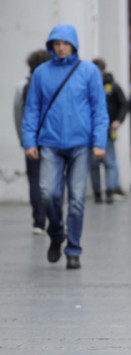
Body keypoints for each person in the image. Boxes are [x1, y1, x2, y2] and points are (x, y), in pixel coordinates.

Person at [22, 24, 109, 270]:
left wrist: (99, 142)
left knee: (77, 200)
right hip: (49, 143)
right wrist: (30, 141)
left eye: (65, 43)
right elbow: (32, 109)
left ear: (74, 45)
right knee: (48, 193)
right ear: (51, 46)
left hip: (81, 145)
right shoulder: (41, 73)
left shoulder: (89, 72)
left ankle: (73, 249)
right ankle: (57, 232)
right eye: (56, 43)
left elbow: (99, 110)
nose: (61, 48)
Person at [14, 49, 51, 236]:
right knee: (53, 178)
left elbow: (18, 113)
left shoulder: (23, 85)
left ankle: (38, 220)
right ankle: (54, 217)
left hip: (32, 139)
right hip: (52, 139)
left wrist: (24, 139)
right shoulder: (52, 83)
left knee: (35, 179)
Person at [90, 58, 129, 203]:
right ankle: (97, 193)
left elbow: (124, 105)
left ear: (103, 71)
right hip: (91, 133)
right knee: (93, 165)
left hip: (107, 131)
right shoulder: (87, 86)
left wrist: (118, 120)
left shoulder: (113, 87)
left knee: (110, 161)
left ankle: (110, 191)